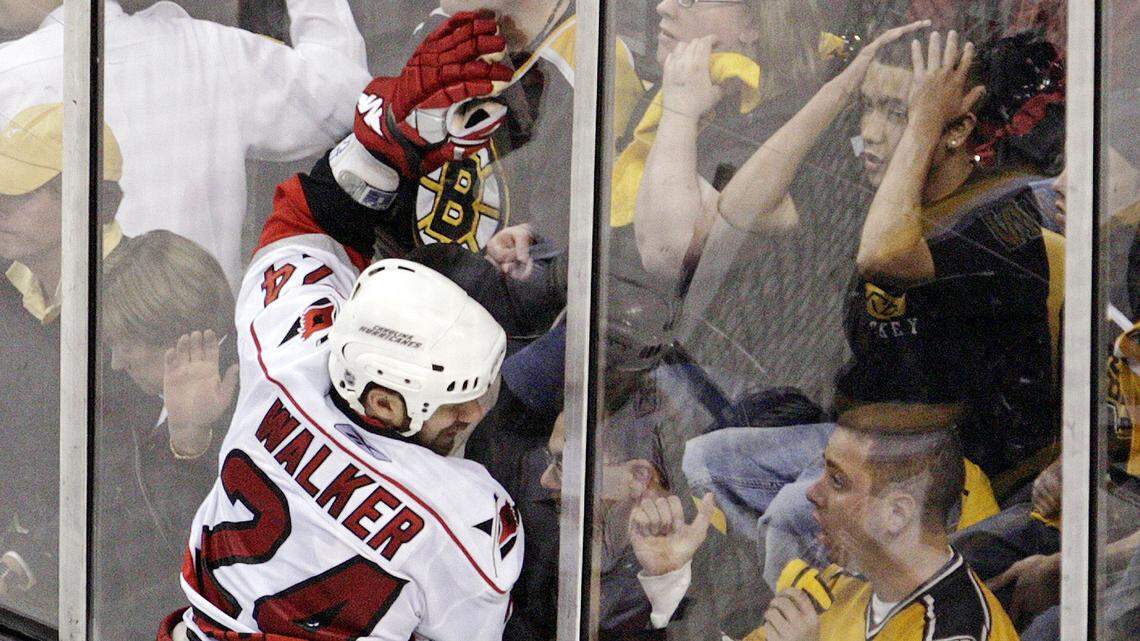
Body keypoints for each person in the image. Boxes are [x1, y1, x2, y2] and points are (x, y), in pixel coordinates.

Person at [158, 13, 523, 641]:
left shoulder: (286, 359)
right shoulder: (467, 518)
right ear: (385, 400)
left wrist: (384, 150)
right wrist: (388, 146)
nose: (473, 416)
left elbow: (301, 224)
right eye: (457, 406)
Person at [682, 28, 1066, 585]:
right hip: (867, 439)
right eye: (868, 109)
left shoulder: (1003, 214)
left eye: (894, 112)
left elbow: (885, 253)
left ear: (956, 128)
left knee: (794, 515)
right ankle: (815, 590)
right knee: (705, 463)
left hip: (958, 466)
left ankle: (812, 613)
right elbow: (741, 207)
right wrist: (843, 87)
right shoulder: (876, 191)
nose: (868, 134)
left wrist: (925, 120)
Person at [0, 0, 370, 285]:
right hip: (206, 358)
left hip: (71, 359)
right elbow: (345, 98)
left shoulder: (8, 74)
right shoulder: (209, 50)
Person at [0, 104, 123, 621]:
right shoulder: (9, 284)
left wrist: (32, 555)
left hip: (98, 591)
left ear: (88, 201)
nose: (0, 209)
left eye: (19, 196)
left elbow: (137, 477)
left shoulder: (139, 300)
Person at [95, 230, 239, 640]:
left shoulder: (244, 409)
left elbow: (200, 556)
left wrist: (190, 440)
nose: (116, 363)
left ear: (175, 336)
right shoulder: (136, 394)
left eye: (124, 345)